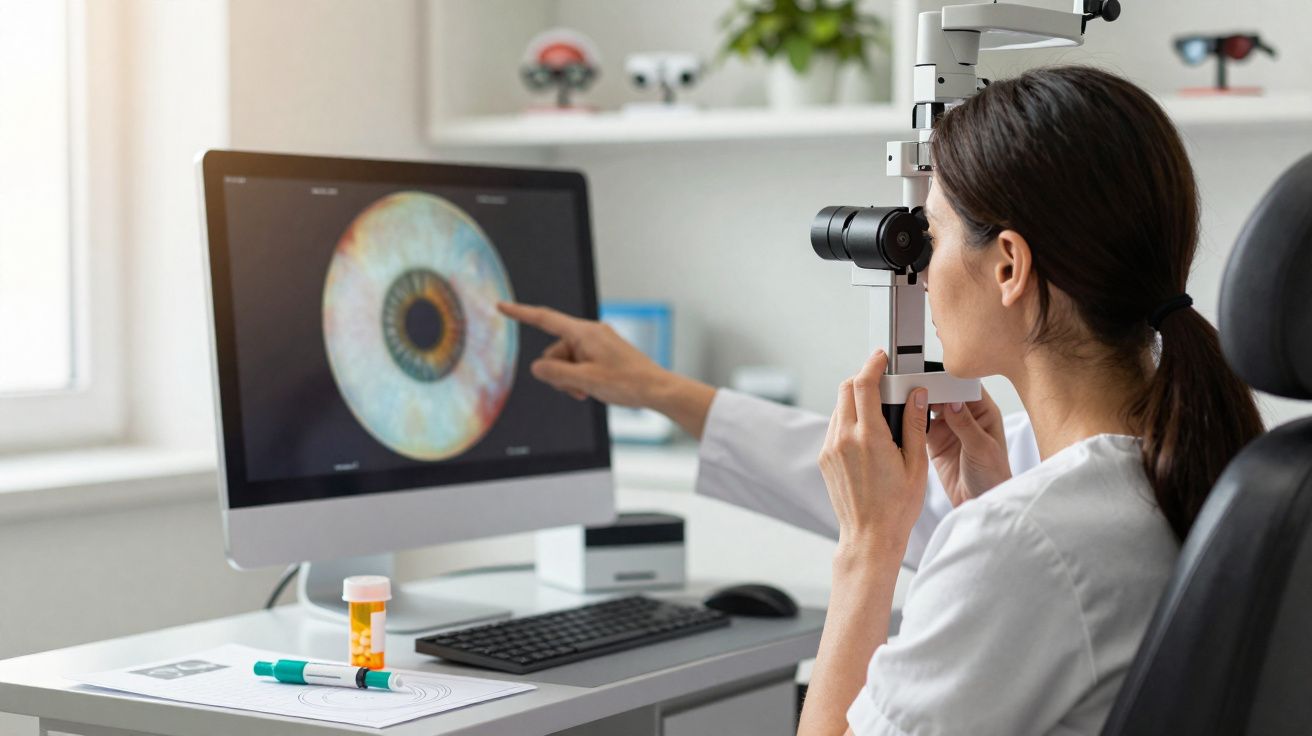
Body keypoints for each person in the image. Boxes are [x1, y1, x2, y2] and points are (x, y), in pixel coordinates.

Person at [498, 65, 1263, 735]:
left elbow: (1020, 558)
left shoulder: (1029, 539)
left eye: (927, 238)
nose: (920, 275)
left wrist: (868, 550)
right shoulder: (1200, 462)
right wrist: (656, 388)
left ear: (1007, 267)